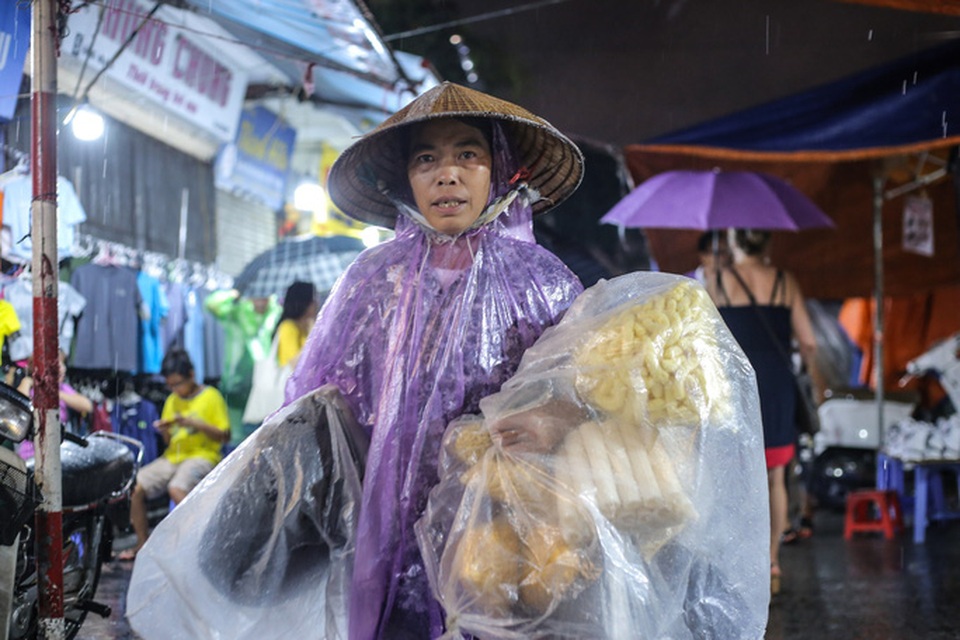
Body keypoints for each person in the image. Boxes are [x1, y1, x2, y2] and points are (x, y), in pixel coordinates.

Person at [283, 82, 585, 639]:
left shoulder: (543, 283)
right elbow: (317, 409)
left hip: (498, 529)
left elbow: (584, 398)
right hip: (383, 534)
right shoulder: (369, 282)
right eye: (427, 159)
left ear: (500, 170)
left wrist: (546, 422)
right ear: (408, 180)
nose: (447, 174)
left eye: (467, 154)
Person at [706, 228, 817, 596]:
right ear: (768, 242)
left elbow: (704, 336)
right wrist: (810, 376)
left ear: (733, 242)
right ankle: (771, 561)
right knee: (776, 478)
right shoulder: (785, 282)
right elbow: (810, 342)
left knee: (736, 477)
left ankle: (741, 563)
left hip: (734, 387)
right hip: (776, 387)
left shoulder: (716, 280)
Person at [120, 348, 230, 560]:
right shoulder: (172, 400)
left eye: (178, 383)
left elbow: (224, 435)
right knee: (134, 486)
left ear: (191, 375)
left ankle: (204, 541)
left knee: (176, 488)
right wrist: (165, 431)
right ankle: (143, 545)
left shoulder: (211, 397)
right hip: (173, 457)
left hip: (203, 455)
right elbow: (169, 443)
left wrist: (192, 422)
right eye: (170, 385)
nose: (175, 389)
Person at [274, 281, 319, 369]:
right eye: (313, 300)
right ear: (303, 302)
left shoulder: (307, 326)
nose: (316, 304)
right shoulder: (288, 327)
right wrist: (313, 334)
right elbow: (295, 363)